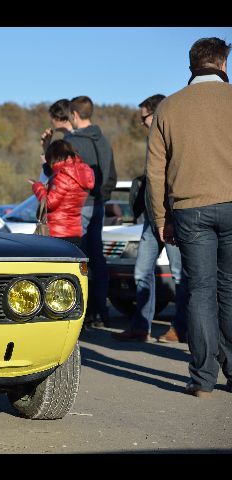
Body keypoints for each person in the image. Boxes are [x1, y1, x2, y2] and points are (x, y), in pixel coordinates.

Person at [146, 37, 232, 397]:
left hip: (189, 209)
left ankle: (202, 379)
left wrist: (160, 219)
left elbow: (155, 171)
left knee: (200, 291)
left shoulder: (169, 107)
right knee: (229, 289)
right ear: (223, 64)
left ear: (191, 66)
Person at [113, 94, 187, 343]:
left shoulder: (174, 137)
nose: (141, 123)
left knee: (179, 274)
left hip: (171, 216)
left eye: (143, 117)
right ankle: (141, 326)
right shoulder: (153, 140)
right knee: (142, 272)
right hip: (151, 219)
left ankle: (181, 327)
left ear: (155, 115)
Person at [67, 95, 117, 328]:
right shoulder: (103, 141)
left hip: (80, 204)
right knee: (97, 257)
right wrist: (102, 195)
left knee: (79, 258)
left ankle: (84, 312)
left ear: (74, 115)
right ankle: (100, 311)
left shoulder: (72, 141)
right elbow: (111, 175)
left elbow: (64, 174)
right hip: (98, 203)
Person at [29, 140, 95, 248]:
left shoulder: (63, 176)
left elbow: (49, 204)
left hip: (58, 232)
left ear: (54, 156)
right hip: (75, 231)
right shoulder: (81, 173)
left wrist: (38, 187)